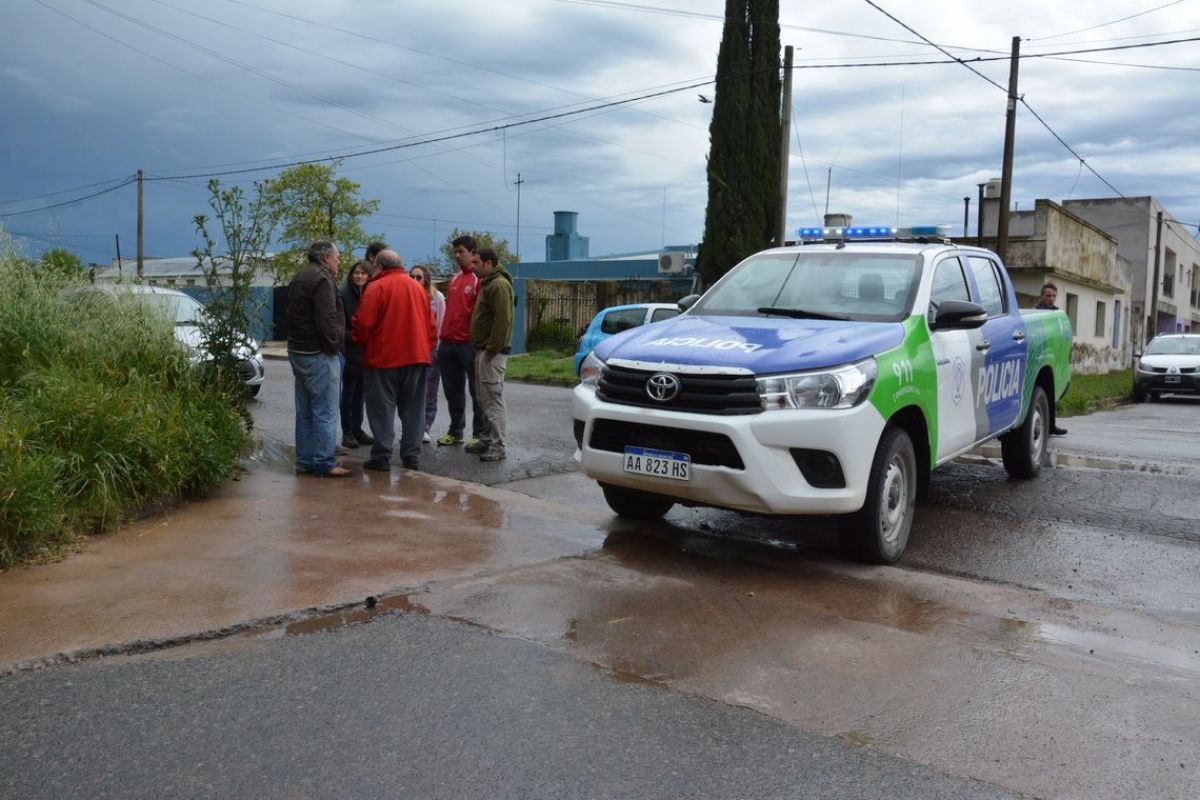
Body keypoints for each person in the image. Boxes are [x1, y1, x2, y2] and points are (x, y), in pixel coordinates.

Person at [351, 250, 437, 472]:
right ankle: (411, 455)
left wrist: (359, 341)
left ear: (379, 267)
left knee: (381, 409)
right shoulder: (417, 288)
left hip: (383, 359)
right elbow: (431, 326)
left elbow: (363, 325)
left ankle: (382, 456)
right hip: (416, 358)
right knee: (414, 410)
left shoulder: (376, 287)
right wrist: (426, 349)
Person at [286, 240, 350, 478]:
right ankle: (324, 462)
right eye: (337, 257)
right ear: (325, 258)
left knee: (305, 412)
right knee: (325, 411)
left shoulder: (300, 276)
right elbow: (327, 320)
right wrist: (334, 346)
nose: (339, 261)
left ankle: (304, 461)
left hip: (299, 351)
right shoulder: (322, 279)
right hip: (318, 354)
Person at [435, 235, 487, 448]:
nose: (457, 255)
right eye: (455, 252)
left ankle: (478, 434)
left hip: (468, 345)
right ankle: (456, 431)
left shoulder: (478, 280)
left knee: (476, 392)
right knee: (452, 391)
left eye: (461, 251)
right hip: (447, 344)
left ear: (473, 253)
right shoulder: (455, 279)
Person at [466, 247, 514, 462]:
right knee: (483, 398)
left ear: (488, 263)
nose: (472, 267)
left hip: (491, 352)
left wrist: (491, 351)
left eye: (475, 263)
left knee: (493, 399)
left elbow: (502, 321)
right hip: (484, 350)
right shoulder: (489, 284)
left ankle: (498, 444)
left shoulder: (499, 284)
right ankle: (487, 438)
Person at [408, 264, 446, 444]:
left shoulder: (437, 297)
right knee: (412, 390)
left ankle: (426, 427)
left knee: (430, 389)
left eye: (419, 277)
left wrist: (436, 348)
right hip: (412, 350)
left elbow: (440, 324)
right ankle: (412, 426)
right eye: (412, 277)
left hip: (432, 350)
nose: (415, 280)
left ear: (426, 279)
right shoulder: (408, 296)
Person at [339, 261, 374, 449]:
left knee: (360, 394)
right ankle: (347, 432)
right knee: (349, 394)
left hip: (366, 352)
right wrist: (355, 337)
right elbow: (342, 326)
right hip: (350, 350)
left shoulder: (371, 294)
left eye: (363, 273)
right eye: (356, 273)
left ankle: (357, 428)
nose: (359, 276)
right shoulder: (344, 295)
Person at [1032, 282, 1068, 436]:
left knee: (1053, 394)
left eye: (1054, 296)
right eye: (1048, 295)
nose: (1051, 299)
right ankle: (1039, 426)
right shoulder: (1035, 314)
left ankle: (1051, 426)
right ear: (1041, 296)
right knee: (1039, 396)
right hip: (1040, 358)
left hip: (1054, 359)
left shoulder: (1057, 314)